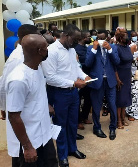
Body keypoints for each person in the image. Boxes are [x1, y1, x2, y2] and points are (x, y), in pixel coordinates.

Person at [42, 24, 90, 167]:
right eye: (74, 39)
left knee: (72, 122)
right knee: (60, 124)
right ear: (66, 36)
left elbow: (75, 68)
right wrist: (73, 83)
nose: (76, 42)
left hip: (73, 93)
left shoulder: (71, 49)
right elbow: (50, 77)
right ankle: (62, 155)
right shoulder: (52, 51)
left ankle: (72, 149)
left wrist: (85, 76)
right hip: (58, 93)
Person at [6, 34, 58, 167]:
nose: (48, 50)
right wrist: (27, 147)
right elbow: (13, 116)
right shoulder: (18, 79)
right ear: (40, 51)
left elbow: (34, 94)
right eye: (46, 47)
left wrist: (45, 105)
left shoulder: (37, 68)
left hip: (44, 135)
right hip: (28, 141)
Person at [85, 29, 120, 140]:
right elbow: (87, 63)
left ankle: (113, 127)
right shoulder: (91, 48)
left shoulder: (113, 47)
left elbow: (117, 62)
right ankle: (97, 128)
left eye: (102, 38)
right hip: (97, 81)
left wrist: (109, 50)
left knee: (112, 105)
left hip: (110, 81)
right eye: (98, 38)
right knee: (96, 106)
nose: (100, 40)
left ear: (107, 38)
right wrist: (94, 49)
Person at [0, 25, 40, 121]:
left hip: (34, 106)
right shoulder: (17, 58)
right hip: (22, 109)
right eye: (38, 36)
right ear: (29, 37)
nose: (41, 38)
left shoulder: (31, 53)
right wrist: (3, 108)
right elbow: (5, 83)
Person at [115, 27, 133, 129]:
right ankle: (118, 121)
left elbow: (130, 61)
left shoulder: (127, 47)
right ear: (121, 38)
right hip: (120, 76)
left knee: (125, 98)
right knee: (119, 100)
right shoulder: (116, 48)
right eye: (126, 36)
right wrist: (117, 79)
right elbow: (115, 66)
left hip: (127, 76)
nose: (128, 38)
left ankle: (123, 118)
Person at [75, 31, 93, 131]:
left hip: (87, 78)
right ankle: (78, 121)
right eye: (88, 37)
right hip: (78, 79)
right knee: (77, 101)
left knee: (88, 99)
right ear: (82, 38)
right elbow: (83, 63)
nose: (90, 38)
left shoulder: (87, 48)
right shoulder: (76, 49)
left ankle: (85, 117)